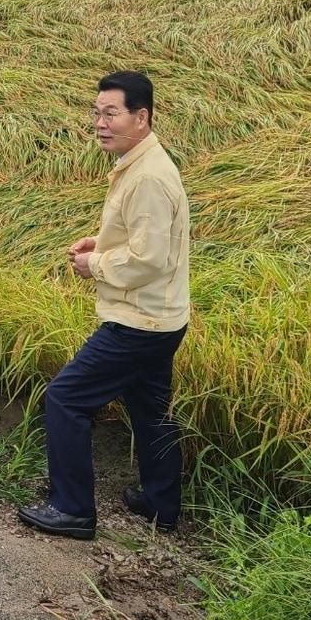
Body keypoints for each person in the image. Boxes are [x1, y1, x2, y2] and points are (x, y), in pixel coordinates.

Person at [18, 71, 190, 540]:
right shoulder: (140, 164)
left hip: (139, 321)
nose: (100, 123)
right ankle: (161, 504)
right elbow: (145, 240)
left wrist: (95, 263)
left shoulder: (149, 177)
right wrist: (104, 241)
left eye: (111, 113)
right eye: (96, 113)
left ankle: (72, 509)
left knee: (65, 398)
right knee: (150, 409)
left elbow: (151, 258)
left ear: (142, 116)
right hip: (162, 317)